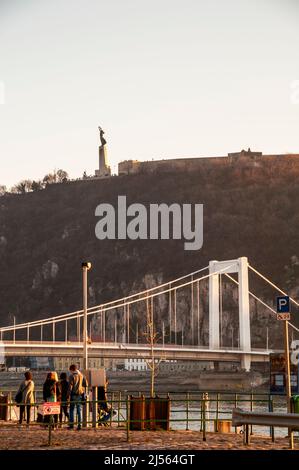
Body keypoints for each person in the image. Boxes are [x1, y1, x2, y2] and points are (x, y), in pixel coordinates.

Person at [68, 364, 87, 430]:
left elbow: (70, 386)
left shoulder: (71, 376)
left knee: (71, 410)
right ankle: (79, 425)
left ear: (72, 369)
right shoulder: (81, 375)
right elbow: (86, 384)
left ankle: (71, 425)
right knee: (79, 410)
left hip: (73, 395)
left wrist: (68, 395)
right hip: (80, 395)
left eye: (70, 370)